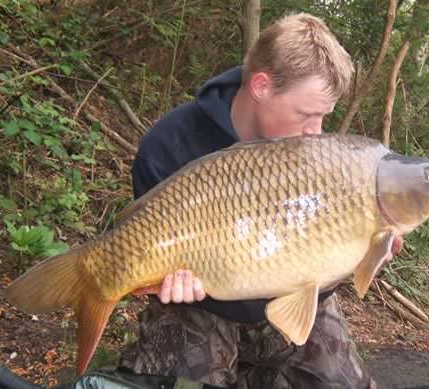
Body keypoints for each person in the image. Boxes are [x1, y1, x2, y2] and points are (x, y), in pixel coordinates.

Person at [119, 12, 403, 389]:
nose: (317, 132)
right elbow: (149, 252)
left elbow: (319, 265)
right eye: (306, 114)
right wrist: (164, 281)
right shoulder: (167, 147)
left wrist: (360, 255)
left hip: (296, 302)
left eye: (323, 116)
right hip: (200, 308)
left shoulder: (322, 157)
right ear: (261, 87)